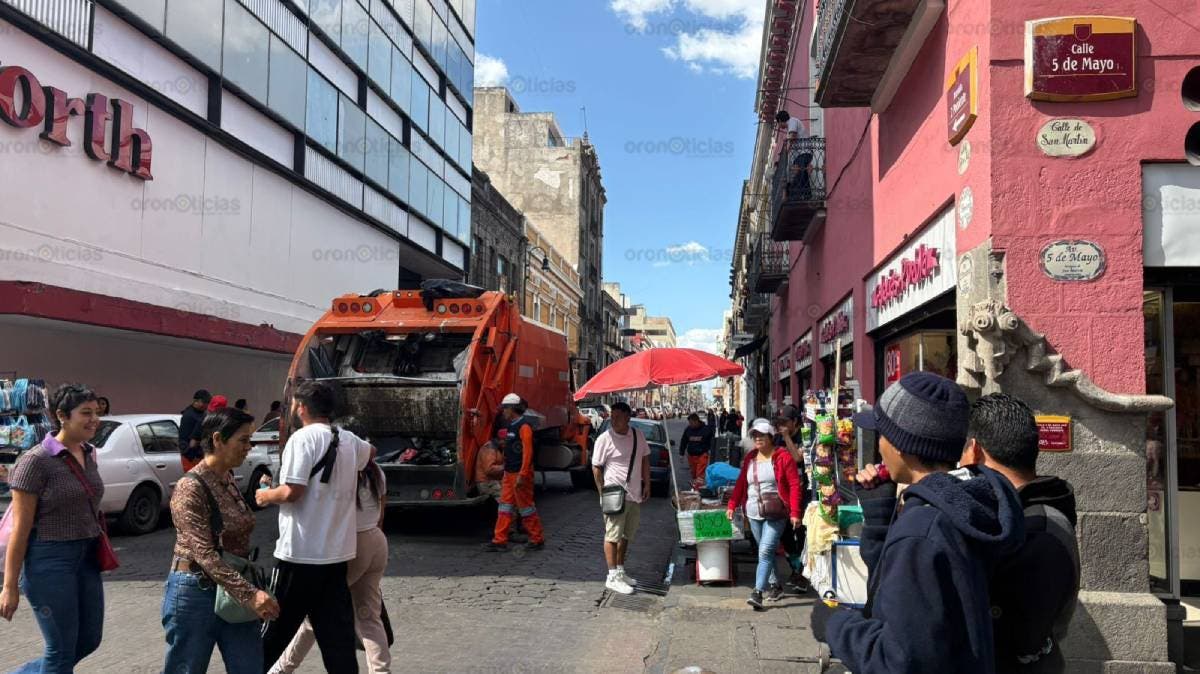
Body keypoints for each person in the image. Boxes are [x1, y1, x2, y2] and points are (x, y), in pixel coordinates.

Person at [810, 372, 1025, 673]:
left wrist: (834, 624)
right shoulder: (966, 503)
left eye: (882, 434)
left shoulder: (923, 529)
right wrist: (880, 517)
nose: (879, 446)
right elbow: (905, 598)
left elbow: (898, 660)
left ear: (899, 445)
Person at [255, 381, 374, 674]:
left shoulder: (302, 439)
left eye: (295, 404)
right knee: (338, 641)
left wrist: (265, 495)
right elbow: (370, 452)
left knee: (273, 634)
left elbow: (293, 492)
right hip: (336, 557)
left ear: (303, 407)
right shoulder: (348, 439)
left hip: (299, 555)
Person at [961, 393, 1080, 672]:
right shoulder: (1021, 514)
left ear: (975, 450)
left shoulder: (1040, 531)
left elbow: (1012, 635)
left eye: (962, 451)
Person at [162, 408, 280, 674]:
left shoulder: (227, 478)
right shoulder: (190, 487)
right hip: (195, 593)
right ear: (218, 439)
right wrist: (250, 594)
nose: (249, 447)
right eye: (243, 440)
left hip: (234, 589)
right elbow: (205, 554)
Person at [271, 416, 391, 674]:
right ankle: (381, 671)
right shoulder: (376, 471)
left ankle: (281, 669)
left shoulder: (346, 467)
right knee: (370, 614)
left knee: (316, 614)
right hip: (376, 541)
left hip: (353, 545)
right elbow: (382, 511)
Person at [1, 384, 107, 672]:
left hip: (87, 558)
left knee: (88, 640)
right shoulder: (34, 462)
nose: (93, 420)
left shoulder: (89, 454)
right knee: (60, 652)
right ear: (61, 415)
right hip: (50, 562)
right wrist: (9, 586)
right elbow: (20, 530)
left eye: (96, 413)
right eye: (85, 413)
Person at [726, 418, 802, 610]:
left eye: (761, 435)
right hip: (753, 511)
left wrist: (795, 512)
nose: (758, 439)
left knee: (766, 550)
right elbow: (742, 483)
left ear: (770, 437)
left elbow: (794, 485)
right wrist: (733, 504)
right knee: (764, 551)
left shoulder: (783, 456)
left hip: (777, 511)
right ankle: (776, 586)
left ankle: (757, 592)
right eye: (755, 435)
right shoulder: (751, 457)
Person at [591, 402, 651, 595]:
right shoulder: (604, 439)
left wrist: (647, 484)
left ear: (628, 418)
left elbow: (644, 459)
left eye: (618, 417)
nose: (613, 420)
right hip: (614, 494)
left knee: (626, 535)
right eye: (612, 416)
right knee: (612, 535)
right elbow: (596, 467)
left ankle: (620, 569)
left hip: (634, 494)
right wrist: (602, 492)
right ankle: (612, 576)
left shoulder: (637, 435)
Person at [483, 393, 546, 552]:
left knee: (526, 507)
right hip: (510, 473)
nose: (503, 411)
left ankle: (537, 538)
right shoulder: (513, 426)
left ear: (512, 409)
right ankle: (500, 540)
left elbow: (527, 453)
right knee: (505, 507)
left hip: (519, 474)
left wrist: (523, 475)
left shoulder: (523, 427)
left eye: (505, 408)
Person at [774, 405, 810, 593]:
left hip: (802, 491)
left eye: (785, 422)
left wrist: (787, 436)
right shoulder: (778, 438)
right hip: (784, 492)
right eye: (780, 422)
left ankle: (803, 574)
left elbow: (797, 458)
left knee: (802, 533)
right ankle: (796, 568)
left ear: (794, 421)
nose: (782, 426)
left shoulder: (803, 436)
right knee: (785, 533)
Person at [180, 389, 212, 472]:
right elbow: (185, 439)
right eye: (204, 402)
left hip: (199, 455)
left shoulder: (202, 413)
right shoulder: (189, 416)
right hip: (191, 456)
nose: (206, 405)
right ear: (195, 401)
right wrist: (191, 456)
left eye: (207, 403)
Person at [678, 413, 715, 482]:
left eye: (691, 423)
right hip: (691, 456)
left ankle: (698, 488)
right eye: (689, 423)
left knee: (700, 474)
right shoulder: (688, 430)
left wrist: (709, 450)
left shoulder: (706, 430)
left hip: (702, 455)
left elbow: (712, 441)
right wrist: (681, 453)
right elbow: (684, 441)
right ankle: (696, 487)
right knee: (694, 474)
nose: (690, 424)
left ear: (696, 421)